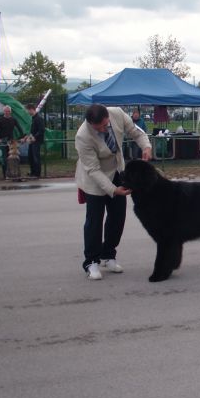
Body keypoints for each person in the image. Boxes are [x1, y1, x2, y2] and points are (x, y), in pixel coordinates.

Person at [75, 103, 151, 281]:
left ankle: (108, 255)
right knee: (94, 220)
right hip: (95, 179)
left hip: (117, 171)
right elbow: (93, 170)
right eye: (98, 128)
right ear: (90, 123)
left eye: (105, 125)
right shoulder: (83, 136)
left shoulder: (116, 113)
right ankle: (91, 261)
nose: (103, 129)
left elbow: (135, 131)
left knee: (117, 217)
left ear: (107, 117)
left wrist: (146, 146)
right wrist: (113, 190)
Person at [0, 106, 20, 178]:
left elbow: (19, 128)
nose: (7, 112)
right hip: (3, 141)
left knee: (13, 159)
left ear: (10, 112)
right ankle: (5, 175)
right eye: (6, 111)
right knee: (4, 159)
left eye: (8, 111)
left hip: (11, 142)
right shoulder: (0, 119)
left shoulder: (13, 119)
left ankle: (13, 174)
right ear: (4, 112)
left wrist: (22, 137)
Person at [26, 104, 45, 178]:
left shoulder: (38, 118)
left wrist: (35, 137)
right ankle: (32, 172)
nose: (27, 112)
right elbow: (32, 130)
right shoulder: (33, 118)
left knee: (36, 157)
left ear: (31, 109)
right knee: (30, 157)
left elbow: (41, 130)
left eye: (27, 110)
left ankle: (37, 174)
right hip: (32, 140)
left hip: (36, 141)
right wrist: (28, 137)